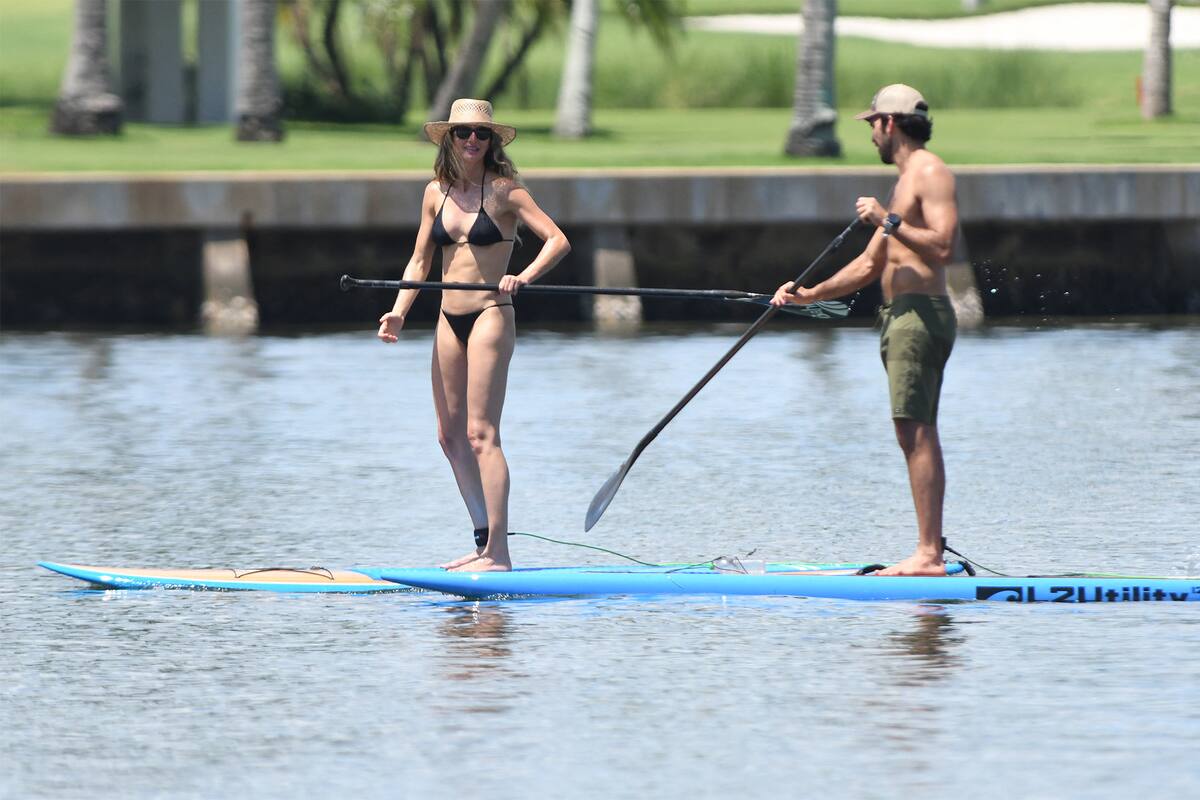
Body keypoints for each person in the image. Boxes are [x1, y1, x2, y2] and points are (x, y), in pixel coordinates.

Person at [772, 84, 958, 577]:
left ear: (890, 124)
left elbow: (943, 247)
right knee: (909, 430)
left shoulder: (930, 171)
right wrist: (807, 295)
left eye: (873, 124)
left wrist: (888, 219)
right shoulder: (903, 182)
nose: (871, 135)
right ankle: (927, 550)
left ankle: (928, 556)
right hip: (900, 318)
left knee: (915, 430)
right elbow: (871, 264)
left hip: (920, 316)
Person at [377, 99, 570, 572]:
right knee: (448, 436)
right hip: (447, 317)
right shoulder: (434, 193)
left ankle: (500, 555)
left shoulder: (506, 191)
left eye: (481, 135)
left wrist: (522, 277)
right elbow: (421, 261)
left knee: (482, 434)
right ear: (449, 138)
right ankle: (483, 539)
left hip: (489, 314)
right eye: (463, 133)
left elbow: (558, 240)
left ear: (492, 142)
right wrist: (400, 311)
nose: (471, 141)